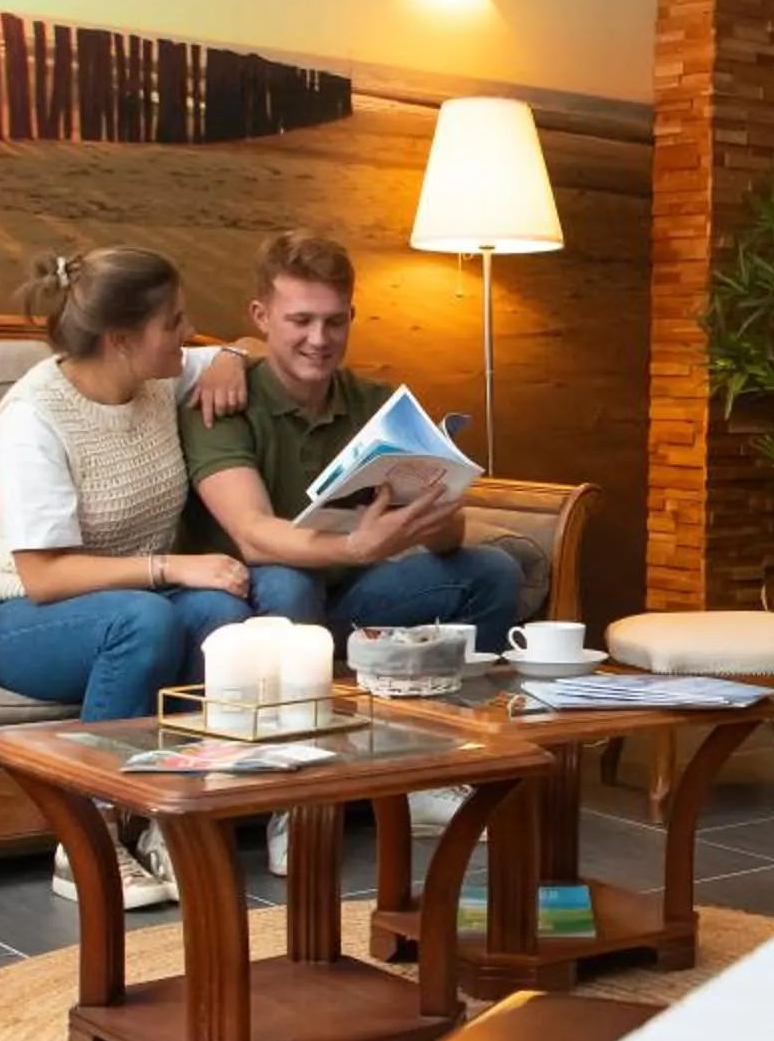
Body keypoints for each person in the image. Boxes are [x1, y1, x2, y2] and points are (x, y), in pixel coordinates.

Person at [180, 230, 525, 874]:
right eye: (300, 320)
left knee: (490, 571)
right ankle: (296, 797)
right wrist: (358, 542)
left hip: (352, 593)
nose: (319, 338)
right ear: (260, 318)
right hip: (253, 606)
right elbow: (253, 532)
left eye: (334, 321)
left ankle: (436, 773)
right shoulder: (224, 401)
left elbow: (449, 536)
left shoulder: (374, 407)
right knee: (285, 581)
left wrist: (432, 515)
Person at [0, 245, 254, 907]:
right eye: (174, 321)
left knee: (223, 616)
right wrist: (170, 565)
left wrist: (232, 356)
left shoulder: (158, 376)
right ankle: (85, 839)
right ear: (122, 340)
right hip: (14, 619)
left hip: (123, 604)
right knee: (146, 616)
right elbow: (41, 576)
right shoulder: (33, 417)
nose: (188, 333)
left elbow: (248, 344)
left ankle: (163, 815)